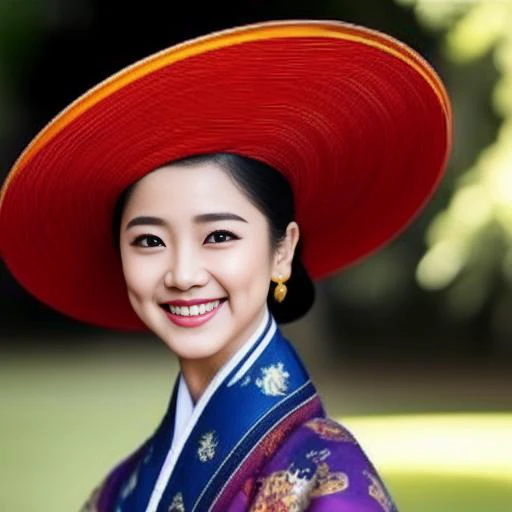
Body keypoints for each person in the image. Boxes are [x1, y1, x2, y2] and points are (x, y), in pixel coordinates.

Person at [0, 19, 451, 512]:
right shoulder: (121, 489)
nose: (183, 273)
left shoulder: (325, 476)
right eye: (149, 240)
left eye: (218, 236)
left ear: (283, 250)